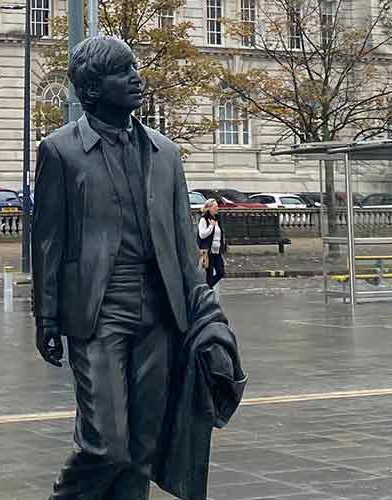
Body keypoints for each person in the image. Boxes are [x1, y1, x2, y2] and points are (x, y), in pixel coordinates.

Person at [31, 36, 243, 500]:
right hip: (98, 309)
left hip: (160, 311)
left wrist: (203, 312)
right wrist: (45, 315)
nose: (136, 77)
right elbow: (47, 240)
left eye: (135, 68)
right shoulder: (60, 151)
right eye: (123, 71)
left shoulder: (164, 152)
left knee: (142, 448)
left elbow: (184, 245)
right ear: (91, 90)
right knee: (105, 443)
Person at [196, 199, 226, 288]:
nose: (218, 208)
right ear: (209, 208)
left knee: (221, 272)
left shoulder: (217, 219)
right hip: (208, 251)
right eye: (215, 206)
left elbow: (219, 234)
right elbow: (202, 235)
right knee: (209, 274)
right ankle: (208, 290)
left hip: (217, 251)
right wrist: (211, 226)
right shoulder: (204, 219)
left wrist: (223, 246)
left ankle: (207, 288)